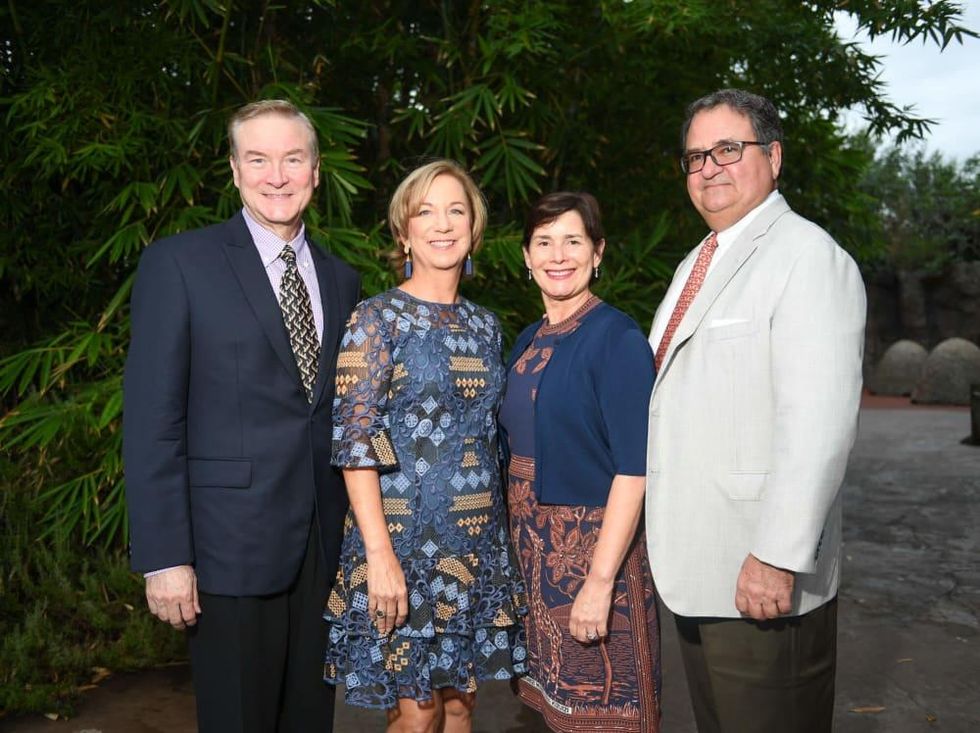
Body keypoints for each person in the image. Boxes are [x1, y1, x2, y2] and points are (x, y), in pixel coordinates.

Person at [123, 99, 360, 733]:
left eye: (292, 159)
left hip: (322, 546)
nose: (275, 176)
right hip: (226, 550)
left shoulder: (344, 280)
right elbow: (153, 420)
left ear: (315, 171)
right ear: (234, 170)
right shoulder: (179, 265)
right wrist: (165, 555)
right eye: (258, 159)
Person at [646, 88, 866, 733]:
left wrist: (777, 554)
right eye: (695, 157)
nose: (708, 167)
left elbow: (818, 424)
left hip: (762, 573)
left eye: (727, 150)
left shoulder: (807, 257)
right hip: (699, 564)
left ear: (773, 157)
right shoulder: (699, 261)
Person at [322, 159, 527, 732]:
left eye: (456, 210)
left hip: (473, 548)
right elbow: (354, 442)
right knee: (417, 714)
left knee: (462, 706)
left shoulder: (485, 325)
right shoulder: (376, 319)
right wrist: (380, 556)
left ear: (474, 229)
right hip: (400, 546)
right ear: (403, 230)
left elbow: (489, 436)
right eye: (426, 211)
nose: (442, 224)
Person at [499, 192, 660, 732]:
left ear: (598, 253)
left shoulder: (617, 337)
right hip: (534, 557)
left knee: (605, 709)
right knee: (553, 710)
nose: (558, 254)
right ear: (526, 255)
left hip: (591, 554)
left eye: (573, 241)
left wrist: (599, 580)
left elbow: (634, 468)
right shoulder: (528, 339)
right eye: (543, 242)